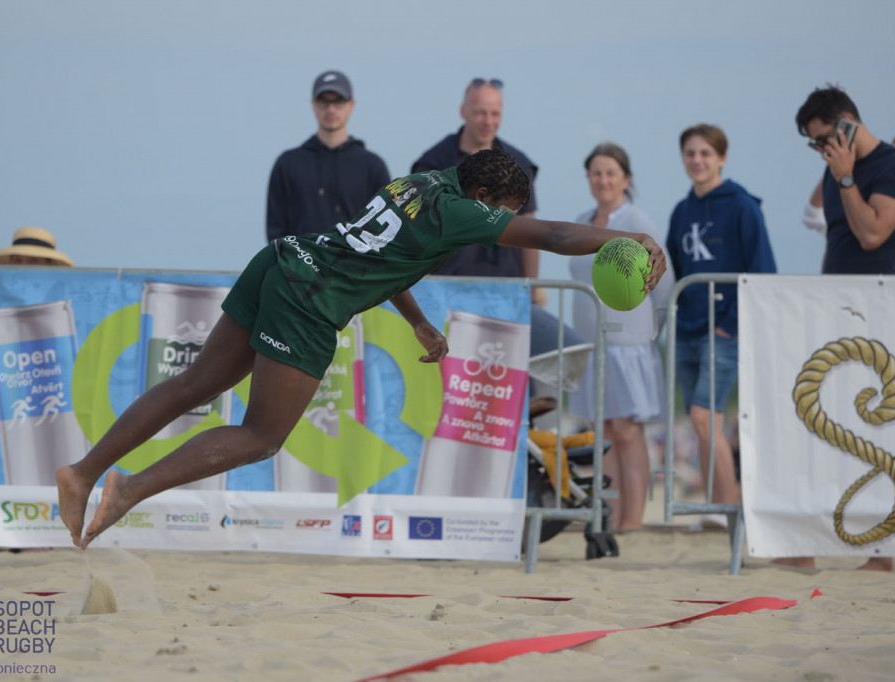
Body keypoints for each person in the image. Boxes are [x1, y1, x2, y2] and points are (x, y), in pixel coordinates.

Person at [55, 149, 667, 550]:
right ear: (485, 195)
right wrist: (630, 236)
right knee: (262, 437)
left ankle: (82, 474)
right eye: (501, 214)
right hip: (310, 299)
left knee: (193, 386)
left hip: (281, 261)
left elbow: (384, 257)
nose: (500, 226)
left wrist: (419, 323)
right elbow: (555, 234)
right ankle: (127, 490)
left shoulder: (416, 182)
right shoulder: (464, 210)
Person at [783, 86, 895, 572]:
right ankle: (807, 539)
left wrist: (845, 178)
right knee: (821, 423)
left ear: (848, 124)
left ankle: (882, 549)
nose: (822, 151)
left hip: (884, 317)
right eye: (815, 145)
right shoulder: (839, 170)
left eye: (824, 139)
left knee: (879, 434)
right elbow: (837, 240)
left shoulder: (894, 168)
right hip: (840, 312)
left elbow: (872, 232)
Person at [411, 77, 580, 386]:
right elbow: (418, 228)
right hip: (446, 290)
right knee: (449, 382)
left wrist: (534, 287)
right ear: (463, 111)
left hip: (503, 291)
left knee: (506, 381)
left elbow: (531, 225)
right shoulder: (432, 162)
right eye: (480, 112)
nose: (487, 121)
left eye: (495, 113)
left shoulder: (519, 164)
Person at [665, 124, 777, 528]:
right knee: (703, 423)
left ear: (722, 158)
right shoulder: (681, 211)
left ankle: (730, 512)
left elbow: (763, 270)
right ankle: (716, 508)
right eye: (691, 153)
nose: (697, 160)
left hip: (724, 330)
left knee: (704, 417)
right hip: (688, 329)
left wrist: (729, 325)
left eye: (706, 154)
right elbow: (676, 271)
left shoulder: (743, 206)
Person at [569, 143, 674, 531]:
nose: (603, 180)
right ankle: (608, 516)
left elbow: (664, 286)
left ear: (625, 179)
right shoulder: (581, 220)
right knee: (603, 431)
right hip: (590, 341)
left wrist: (649, 332)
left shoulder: (639, 221)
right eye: (596, 173)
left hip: (629, 343)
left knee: (629, 431)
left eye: (611, 173)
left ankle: (633, 519)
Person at [0, 227, 75, 543]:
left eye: (34, 261)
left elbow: (72, 356)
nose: (26, 266)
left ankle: (39, 527)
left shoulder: (67, 304)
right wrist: (14, 357)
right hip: (3, 399)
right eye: (20, 260)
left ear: (48, 268)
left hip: (51, 400)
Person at [266, 70, 390, 242]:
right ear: (313, 104)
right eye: (323, 101)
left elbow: (384, 227)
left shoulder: (372, 166)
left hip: (355, 266)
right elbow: (275, 229)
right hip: (302, 266)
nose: (330, 109)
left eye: (338, 101)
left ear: (351, 105)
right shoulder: (288, 164)